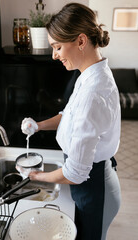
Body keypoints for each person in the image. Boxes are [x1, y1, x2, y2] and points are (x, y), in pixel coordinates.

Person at [21, 3, 121, 240]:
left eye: (57, 47)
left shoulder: (93, 93)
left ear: (81, 41)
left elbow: (75, 173)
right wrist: (39, 125)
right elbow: (70, 116)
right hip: (91, 182)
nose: (54, 55)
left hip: (95, 188)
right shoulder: (89, 73)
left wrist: (37, 177)